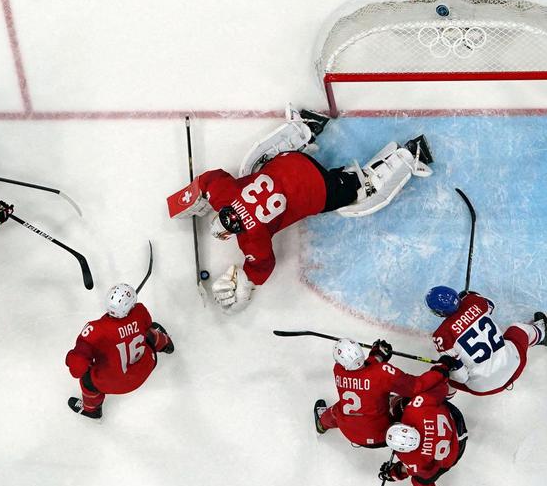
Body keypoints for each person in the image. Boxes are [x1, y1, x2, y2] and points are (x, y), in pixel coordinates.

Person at [166, 107, 434, 312]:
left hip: (318, 189)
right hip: (292, 162)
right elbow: (210, 179)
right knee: (251, 169)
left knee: (358, 193)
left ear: (229, 234)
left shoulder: (251, 238)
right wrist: (192, 196)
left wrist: (244, 281)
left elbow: (263, 263)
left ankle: (408, 154)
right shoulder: (224, 194)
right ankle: (304, 128)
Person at [64, 283, 174, 420]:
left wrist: (72, 357)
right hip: (145, 367)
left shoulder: (95, 330)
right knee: (149, 334)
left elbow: (77, 369)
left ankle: (92, 410)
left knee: (88, 381)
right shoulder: (140, 312)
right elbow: (146, 324)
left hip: (114, 383)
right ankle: (166, 345)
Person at [427, 285, 547, 396]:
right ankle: (542, 334)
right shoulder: (473, 301)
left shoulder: (442, 336)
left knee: (444, 376)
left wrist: (446, 367)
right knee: (518, 329)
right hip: (514, 364)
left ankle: (443, 400)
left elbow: (461, 378)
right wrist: (469, 295)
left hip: (484, 387)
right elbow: (491, 305)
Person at [314, 338, 433, 448]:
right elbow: (415, 386)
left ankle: (321, 425)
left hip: (349, 432)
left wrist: (376, 357)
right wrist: (441, 370)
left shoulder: (338, 370)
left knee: (338, 409)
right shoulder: (381, 373)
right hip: (382, 436)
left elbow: (361, 370)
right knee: (403, 401)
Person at [378, 385, 468, 486]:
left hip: (454, 452)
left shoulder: (413, 459)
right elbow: (435, 391)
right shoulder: (416, 410)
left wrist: (393, 473)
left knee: (421, 482)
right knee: (411, 399)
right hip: (455, 420)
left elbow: (415, 471)